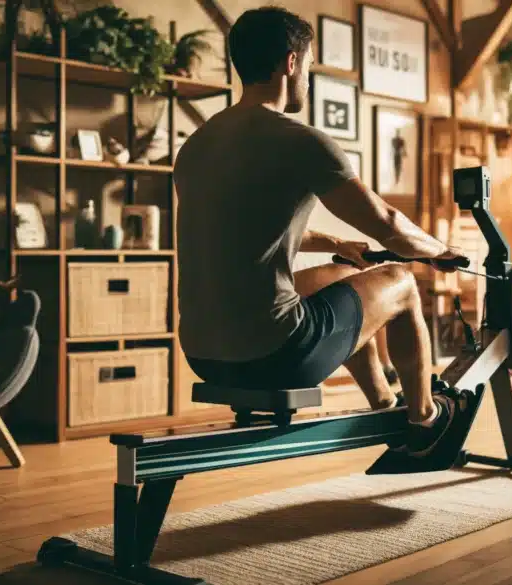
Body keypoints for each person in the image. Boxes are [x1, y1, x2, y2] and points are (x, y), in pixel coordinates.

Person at [174, 6, 464, 458]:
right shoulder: (299, 139)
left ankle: (386, 405)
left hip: (202, 354)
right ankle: (426, 420)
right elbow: (387, 223)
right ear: (291, 63)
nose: (306, 78)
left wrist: (335, 245)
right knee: (403, 285)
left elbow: (249, 229)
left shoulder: (196, 147)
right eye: (308, 66)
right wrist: (438, 250)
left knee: (335, 278)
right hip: (274, 354)